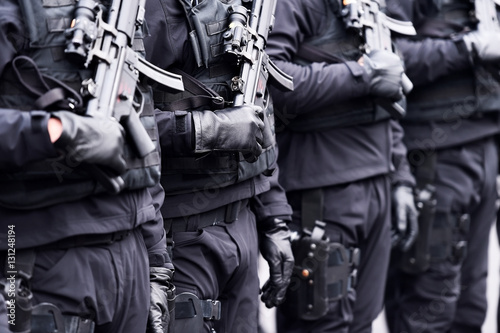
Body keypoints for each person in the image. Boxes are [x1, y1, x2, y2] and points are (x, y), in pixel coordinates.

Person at [0, 0, 174, 332]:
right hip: (35, 258)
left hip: (130, 254)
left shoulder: (118, 8)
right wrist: (59, 131)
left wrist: (156, 264)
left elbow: (144, 149)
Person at [264, 0, 418, 331]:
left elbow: (389, 93)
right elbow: (269, 80)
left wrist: (402, 177)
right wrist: (360, 75)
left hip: (378, 183)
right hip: (321, 194)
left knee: (364, 322)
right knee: (322, 325)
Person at [143, 0, 295, 332]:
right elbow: (124, 124)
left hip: (243, 222)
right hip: (182, 234)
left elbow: (260, 113)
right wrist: (208, 130)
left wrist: (274, 219)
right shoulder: (151, 10)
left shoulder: (242, 5)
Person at [382, 0, 500, 331]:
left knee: (470, 308)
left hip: (485, 146)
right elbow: (386, 56)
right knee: (428, 307)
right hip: (434, 155)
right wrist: (468, 47)